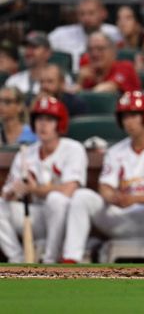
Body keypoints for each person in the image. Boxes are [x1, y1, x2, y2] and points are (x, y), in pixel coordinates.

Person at [62, 91, 144, 264]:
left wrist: (134, 199)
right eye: (125, 117)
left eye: (134, 115)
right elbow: (105, 187)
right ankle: (71, 258)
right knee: (81, 196)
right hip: (119, 217)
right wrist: (112, 196)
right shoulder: (115, 151)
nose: (129, 122)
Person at [0, 97, 87, 263]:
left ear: (60, 124)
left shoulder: (73, 149)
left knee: (56, 200)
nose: (43, 124)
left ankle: (50, 260)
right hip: (37, 215)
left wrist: (35, 189)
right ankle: (17, 259)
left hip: (65, 219)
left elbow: (69, 190)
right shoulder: (26, 153)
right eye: (39, 119)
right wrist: (13, 192)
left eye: (49, 119)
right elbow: (6, 193)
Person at [49, 0, 122, 72]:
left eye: (91, 13)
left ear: (103, 13)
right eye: (82, 14)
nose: (86, 18)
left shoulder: (115, 33)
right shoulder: (61, 33)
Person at [77, 32, 142, 93]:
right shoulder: (87, 72)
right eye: (90, 50)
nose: (94, 54)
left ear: (112, 52)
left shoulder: (125, 67)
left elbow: (108, 87)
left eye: (100, 49)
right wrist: (80, 82)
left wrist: (87, 93)